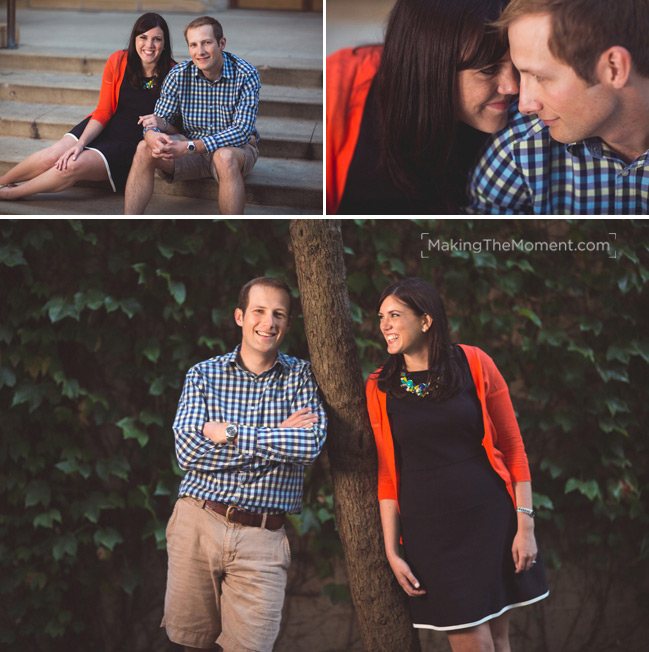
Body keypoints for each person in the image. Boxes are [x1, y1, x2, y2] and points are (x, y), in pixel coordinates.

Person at [366, 278, 549, 651]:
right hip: (432, 535)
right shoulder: (379, 385)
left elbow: (513, 447)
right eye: (381, 316)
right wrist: (391, 550)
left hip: (490, 519)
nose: (384, 324)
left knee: (499, 639)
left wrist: (524, 525)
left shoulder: (474, 362)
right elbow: (387, 474)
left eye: (395, 315)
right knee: (472, 638)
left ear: (426, 321)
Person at [164, 277, 327, 652]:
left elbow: (310, 444)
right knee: (189, 643)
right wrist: (276, 435)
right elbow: (188, 452)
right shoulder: (203, 376)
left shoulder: (300, 376)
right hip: (198, 522)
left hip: (263, 537)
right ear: (240, 316)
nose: (268, 323)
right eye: (259, 311)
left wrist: (233, 433)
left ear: (287, 324)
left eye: (279, 315)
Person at [326, 0, 519, 215]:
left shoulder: (533, 115)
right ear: (431, 66)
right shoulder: (338, 91)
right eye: (489, 70)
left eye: (520, 65)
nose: (514, 87)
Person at [465, 0, 649, 214]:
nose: (524, 105)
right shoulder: (520, 149)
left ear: (615, 68)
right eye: (520, 73)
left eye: (540, 77)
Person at [0, 13, 174, 202]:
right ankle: (3, 181)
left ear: (164, 44)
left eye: (157, 39)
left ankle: (12, 193)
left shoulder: (174, 74)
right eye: (143, 38)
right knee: (53, 156)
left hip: (130, 143)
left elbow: (177, 123)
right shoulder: (118, 60)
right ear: (134, 39)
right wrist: (80, 144)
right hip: (105, 124)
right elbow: (104, 111)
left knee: (71, 165)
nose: (149, 45)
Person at [125, 16, 261, 216]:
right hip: (190, 150)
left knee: (224, 157)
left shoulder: (246, 74)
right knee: (144, 148)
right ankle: (130, 220)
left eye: (207, 43)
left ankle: (229, 237)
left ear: (221, 43)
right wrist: (151, 134)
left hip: (233, 149)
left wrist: (189, 147)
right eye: (194, 45)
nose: (200, 51)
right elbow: (160, 118)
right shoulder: (179, 74)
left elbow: (241, 132)